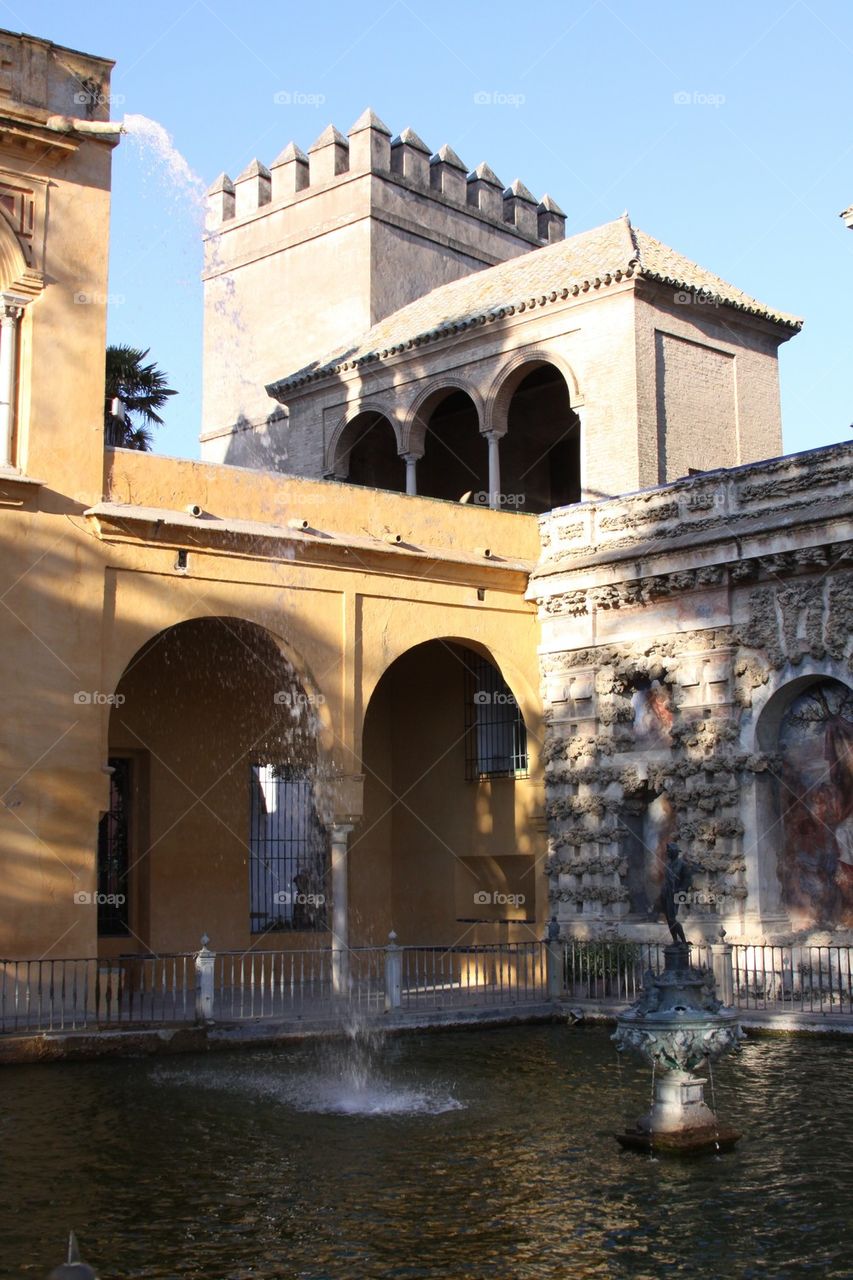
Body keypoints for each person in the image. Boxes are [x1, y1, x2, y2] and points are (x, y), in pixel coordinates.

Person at [657, 841, 692, 943]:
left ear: (674, 852)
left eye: (669, 851)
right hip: (667, 893)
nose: (667, 853)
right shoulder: (668, 864)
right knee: (669, 919)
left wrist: (681, 889)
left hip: (677, 893)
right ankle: (675, 940)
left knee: (673, 919)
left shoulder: (682, 864)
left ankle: (683, 941)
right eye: (667, 852)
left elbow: (687, 880)